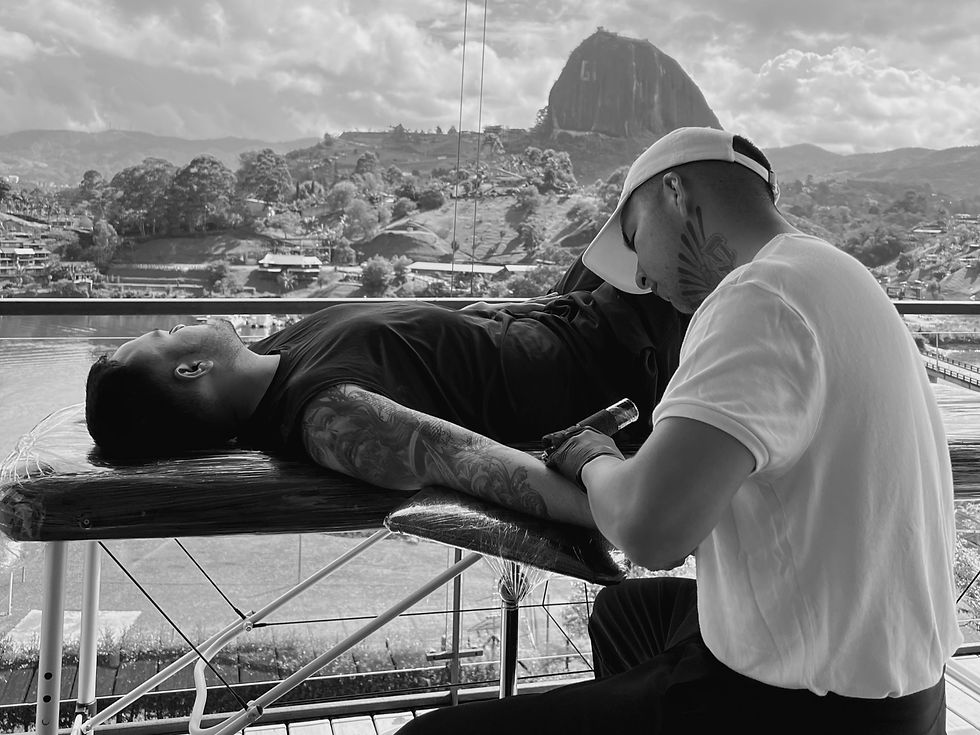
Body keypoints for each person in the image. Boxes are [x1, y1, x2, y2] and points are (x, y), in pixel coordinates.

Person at [399, 127, 960, 734]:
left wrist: (590, 455)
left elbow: (651, 531)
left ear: (673, 191)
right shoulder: (835, 273)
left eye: (636, 241)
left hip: (803, 709)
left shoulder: (757, 295)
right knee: (626, 615)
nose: (641, 277)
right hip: (909, 692)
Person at [85, 276, 686, 527]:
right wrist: (629, 516)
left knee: (664, 189)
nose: (181, 323)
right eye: (166, 336)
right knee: (691, 178)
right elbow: (474, 463)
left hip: (569, 310)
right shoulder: (330, 415)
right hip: (629, 352)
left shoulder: (268, 359)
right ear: (191, 369)